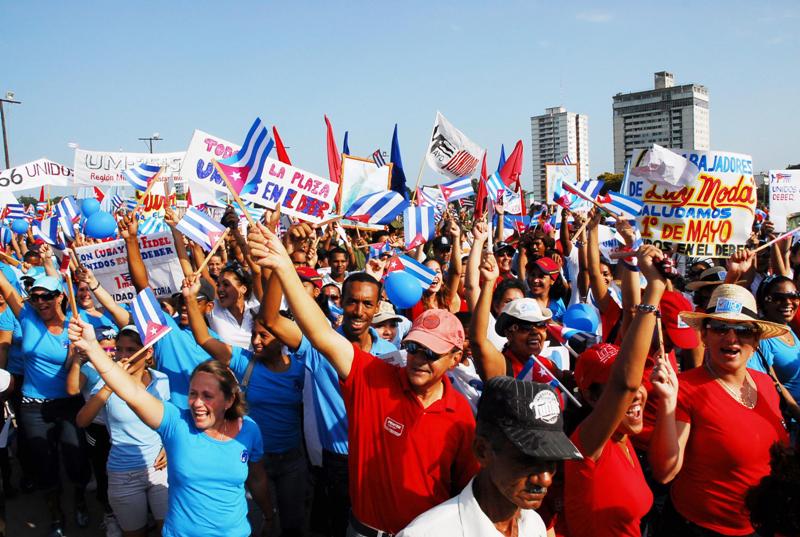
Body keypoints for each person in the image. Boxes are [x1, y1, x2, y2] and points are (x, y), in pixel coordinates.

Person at [249, 222, 479, 536]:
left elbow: (466, 490)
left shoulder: (461, 414)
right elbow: (320, 333)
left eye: (432, 353)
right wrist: (284, 265)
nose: (419, 359)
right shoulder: (374, 376)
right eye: (414, 348)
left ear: (454, 358)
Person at [67, 318, 274, 537]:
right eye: (192, 393)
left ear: (229, 400)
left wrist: (269, 515)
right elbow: (132, 393)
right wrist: (92, 347)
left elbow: (257, 478)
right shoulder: (176, 422)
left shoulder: (248, 429)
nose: (197, 403)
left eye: (208, 396)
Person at [650, 283, 790, 536]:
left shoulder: (766, 384)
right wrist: (668, 403)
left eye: (743, 330)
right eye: (720, 327)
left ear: (756, 340)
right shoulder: (685, 389)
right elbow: (664, 472)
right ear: (704, 336)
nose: (731, 338)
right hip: (700, 530)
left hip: (761, 525)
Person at [183, 274, 307, 537]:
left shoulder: (301, 368)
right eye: (253, 335)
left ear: (282, 339)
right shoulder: (244, 362)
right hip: (253, 461)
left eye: (264, 336)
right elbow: (204, 338)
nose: (256, 341)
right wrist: (190, 299)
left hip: (293, 461)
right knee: (260, 524)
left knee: (293, 524)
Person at [563, 245, 671, 537]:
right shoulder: (587, 443)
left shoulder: (623, 438)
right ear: (591, 397)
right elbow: (626, 384)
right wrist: (655, 289)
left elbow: (629, 330)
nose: (635, 394)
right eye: (612, 388)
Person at [398, 378, 583, 537]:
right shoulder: (426, 533)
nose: (545, 479)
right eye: (528, 460)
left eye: (551, 462)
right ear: (482, 451)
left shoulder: (533, 525)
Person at [0, 272, 90, 536]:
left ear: (60, 297)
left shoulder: (76, 324)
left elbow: (78, 366)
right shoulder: (27, 316)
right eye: (35, 297)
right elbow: (4, 285)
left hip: (68, 404)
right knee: (43, 462)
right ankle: (56, 516)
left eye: (46, 297)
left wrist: (78, 349)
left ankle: (80, 500)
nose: (40, 302)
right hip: (33, 406)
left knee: (76, 458)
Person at [75, 325, 170, 537]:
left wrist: (167, 445)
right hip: (123, 474)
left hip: (159, 470)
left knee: (168, 531)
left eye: (131, 349)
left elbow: (169, 421)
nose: (123, 355)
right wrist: (111, 385)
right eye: (119, 349)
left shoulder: (162, 380)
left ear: (148, 353)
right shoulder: (105, 382)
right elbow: (82, 420)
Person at [207, 261, 259, 350]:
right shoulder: (212, 307)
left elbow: (258, 274)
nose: (219, 289)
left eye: (226, 284)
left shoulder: (255, 309)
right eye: (218, 285)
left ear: (243, 289)